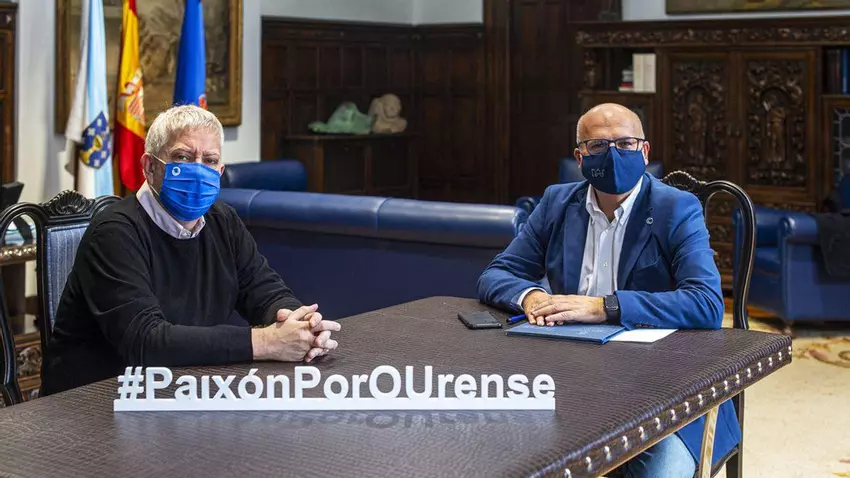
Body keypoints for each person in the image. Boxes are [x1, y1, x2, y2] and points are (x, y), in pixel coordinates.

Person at [477, 103, 739, 477]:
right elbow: (498, 274)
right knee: (499, 449)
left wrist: (605, 307)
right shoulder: (557, 203)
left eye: (626, 144)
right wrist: (532, 296)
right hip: (571, 374)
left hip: (666, 383)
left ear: (644, 152)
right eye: (598, 145)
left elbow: (706, 303)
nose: (614, 154)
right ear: (579, 157)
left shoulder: (676, 207)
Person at [42, 105, 340, 395]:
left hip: (183, 386)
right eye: (183, 157)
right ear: (150, 167)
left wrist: (299, 325)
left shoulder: (223, 220)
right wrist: (266, 342)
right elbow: (145, 340)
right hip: (95, 398)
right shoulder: (114, 231)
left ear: (220, 171)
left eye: (209, 160)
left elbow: (265, 291)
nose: (198, 170)